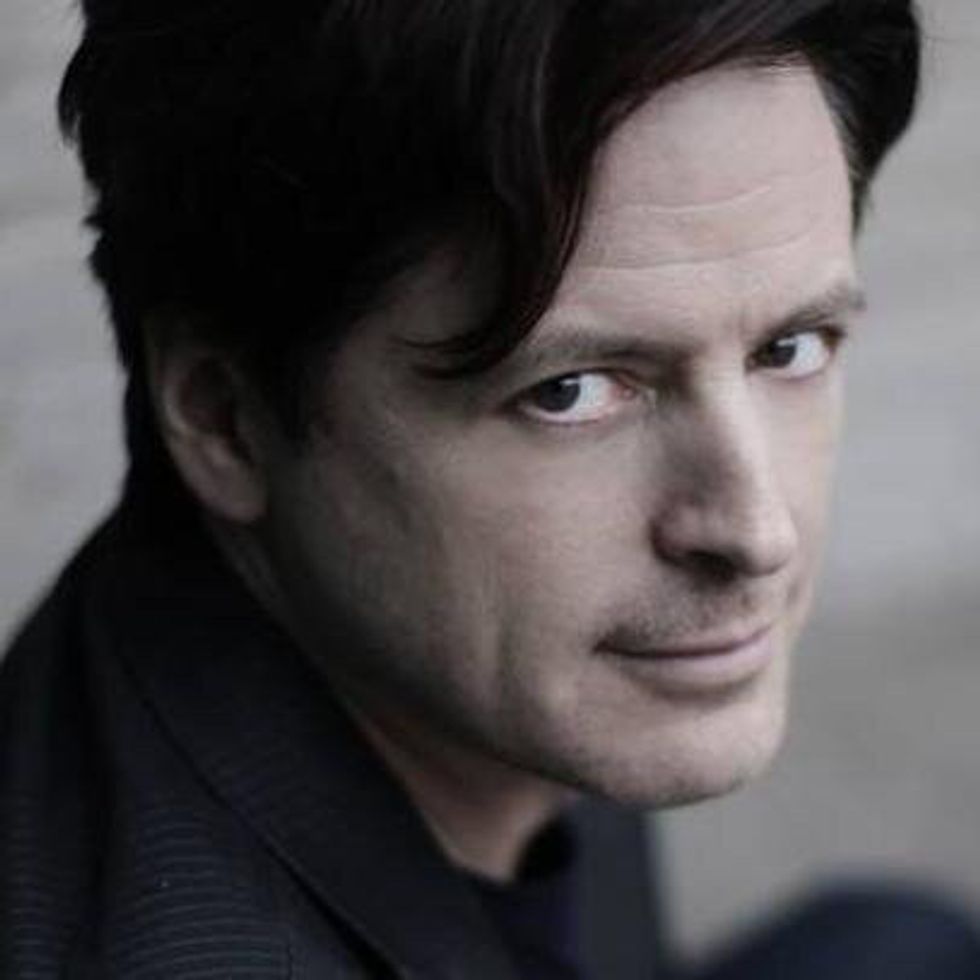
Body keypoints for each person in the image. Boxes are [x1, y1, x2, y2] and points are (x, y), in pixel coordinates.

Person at [5, 1, 964, 977]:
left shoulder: (467, 663)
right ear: (225, 420)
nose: (754, 530)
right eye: (570, 391)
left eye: (788, 347)